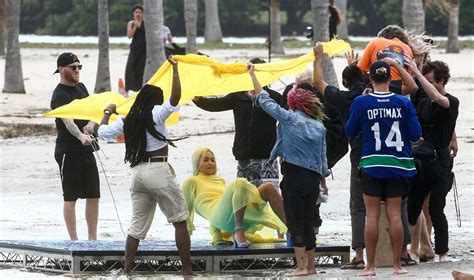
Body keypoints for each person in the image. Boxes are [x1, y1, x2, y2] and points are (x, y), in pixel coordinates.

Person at [97, 58, 194, 276]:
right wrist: (176, 70)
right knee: (180, 220)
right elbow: (175, 98)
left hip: (137, 174)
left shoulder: (128, 120)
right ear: (155, 101)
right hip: (158, 171)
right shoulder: (157, 114)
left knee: (136, 227)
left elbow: (101, 133)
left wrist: (107, 111)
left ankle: (127, 270)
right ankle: (188, 271)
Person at [248, 63, 329, 276]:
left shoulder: (289, 118)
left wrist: (253, 75)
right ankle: (311, 267)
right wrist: (323, 181)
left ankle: (300, 266)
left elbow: (265, 101)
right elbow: (322, 158)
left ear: (294, 102)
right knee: (309, 220)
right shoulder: (319, 126)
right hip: (312, 180)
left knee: (295, 222)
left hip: (293, 176)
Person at [345, 60, 421, 276]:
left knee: (372, 216)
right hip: (398, 164)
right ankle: (397, 265)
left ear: (370, 79)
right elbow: (415, 135)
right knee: (395, 215)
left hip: (372, 163)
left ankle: (369, 266)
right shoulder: (403, 103)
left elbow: (351, 130)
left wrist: (360, 104)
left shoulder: (361, 102)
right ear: (390, 78)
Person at [193, 58, 282, 188]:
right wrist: (197, 98)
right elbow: (215, 104)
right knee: (244, 201)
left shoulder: (274, 97)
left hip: (267, 158)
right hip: (243, 158)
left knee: (268, 199)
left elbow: (287, 121)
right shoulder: (238, 96)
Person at [407, 60, 459, 263]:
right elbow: (413, 86)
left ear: (441, 81)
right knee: (413, 206)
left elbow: (438, 97)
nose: (425, 85)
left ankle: (442, 252)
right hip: (422, 162)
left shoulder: (451, 101)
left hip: (441, 164)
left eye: (430, 81)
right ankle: (409, 250)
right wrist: (406, 67)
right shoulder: (422, 98)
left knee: (436, 208)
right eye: (425, 80)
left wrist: (419, 75)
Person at [181, 148, 287, 247]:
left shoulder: (220, 181)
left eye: (213, 160)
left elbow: (225, 202)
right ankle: (238, 230)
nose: (210, 163)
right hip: (220, 218)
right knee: (240, 182)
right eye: (205, 160)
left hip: (233, 215)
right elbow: (186, 210)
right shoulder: (191, 181)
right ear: (196, 162)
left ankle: (291, 229)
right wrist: (213, 235)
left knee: (268, 188)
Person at [50, 52, 100, 241]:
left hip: (87, 149)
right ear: (62, 69)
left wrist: (91, 125)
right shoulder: (59, 94)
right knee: (71, 197)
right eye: (73, 67)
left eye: (79, 66)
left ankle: (92, 240)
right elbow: (67, 120)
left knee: (93, 195)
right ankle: (74, 241)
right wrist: (80, 135)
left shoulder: (82, 88)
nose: (77, 70)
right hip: (68, 150)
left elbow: (93, 110)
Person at [357, 25, 417, 95]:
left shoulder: (376, 42)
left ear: (382, 37)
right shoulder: (408, 48)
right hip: (398, 88)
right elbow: (408, 79)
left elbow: (360, 71)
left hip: (377, 84)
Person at [125, 4, 146, 92]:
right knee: (130, 67)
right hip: (134, 48)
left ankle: (139, 88)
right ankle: (130, 88)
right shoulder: (131, 23)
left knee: (140, 69)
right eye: (136, 12)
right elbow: (129, 36)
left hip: (144, 49)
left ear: (143, 13)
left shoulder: (146, 23)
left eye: (140, 12)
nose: (138, 14)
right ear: (133, 13)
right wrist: (135, 26)